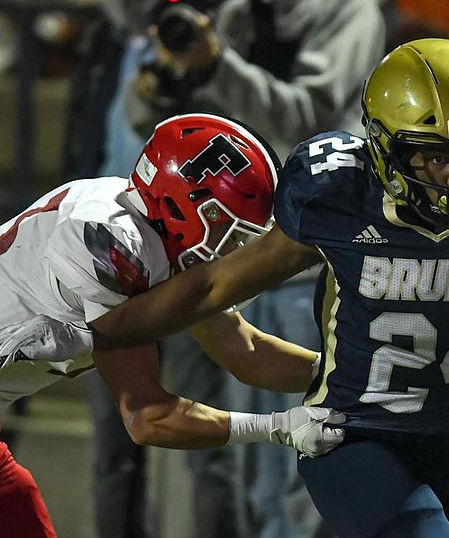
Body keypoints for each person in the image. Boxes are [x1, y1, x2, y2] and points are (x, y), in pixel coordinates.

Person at [0, 38, 449, 537]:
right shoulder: (340, 195)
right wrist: (92, 326)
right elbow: (211, 286)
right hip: (352, 432)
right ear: (386, 150)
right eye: (435, 155)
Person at [0, 113, 345, 538]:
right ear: (184, 207)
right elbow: (148, 417)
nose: (239, 251)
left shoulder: (156, 236)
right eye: (231, 232)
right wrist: (278, 428)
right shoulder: (112, 240)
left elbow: (247, 352)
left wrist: (351, 375)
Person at [63, 1, 385, 536]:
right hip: (236, 254)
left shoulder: (347, 11)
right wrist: (166, 79)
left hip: (310, 260)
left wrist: (217, 68)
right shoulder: (236, 13)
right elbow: (164, 126)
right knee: (255, 473)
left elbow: (310, 122)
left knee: (305, 472)